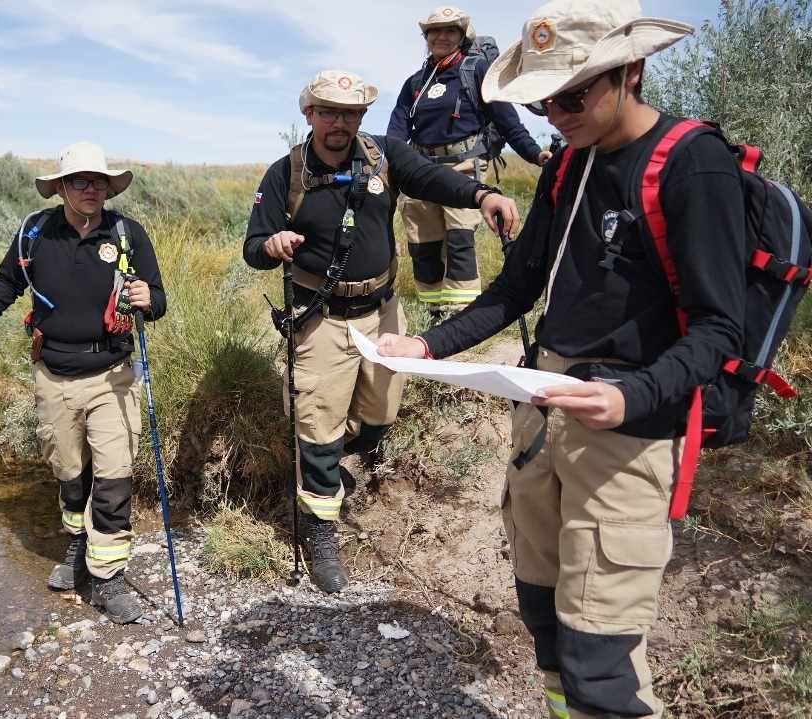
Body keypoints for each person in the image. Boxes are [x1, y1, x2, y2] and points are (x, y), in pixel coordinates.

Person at [377, 2, 739, 716]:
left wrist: (631, 397)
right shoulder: (569, 163)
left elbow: (719, 328)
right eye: (544, 98)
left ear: (630, 71)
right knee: (544, 623)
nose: (554, 114)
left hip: (629, 438)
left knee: (601, 666)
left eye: (572, 95)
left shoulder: (695, 164)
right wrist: (425, 345)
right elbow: (516, 287)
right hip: (543, 417)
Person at [244, 69, 520, 594]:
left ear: (361, 118)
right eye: (329, 112)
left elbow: (434, 178)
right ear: (309, 114)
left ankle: (326, 468)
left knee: (379, 417)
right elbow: (252, 247)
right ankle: (321, 530)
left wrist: (482, 195)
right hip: (319, 317)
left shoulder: (383, 156)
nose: (339, 123)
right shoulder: (285, 173)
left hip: (383, 311)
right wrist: (272, 244)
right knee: (318, 424)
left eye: (350, 113)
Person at [0, 141, 167, 624]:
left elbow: (157, 302)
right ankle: (78, 545)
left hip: (115, 374)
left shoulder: (127, 234)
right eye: (80, 181)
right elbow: (6, 283)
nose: (92, 189)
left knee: (115, 475)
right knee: (70, 473)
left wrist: (145, 298)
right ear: (61, 188)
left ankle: (109, 576)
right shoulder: (34, 232)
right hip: (52, 375)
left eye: (99, 181)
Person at [387, 6, 552, 321]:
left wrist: (534, 153)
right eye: (434, 31)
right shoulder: (415, 83)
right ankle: (434, 311)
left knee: (459, 239)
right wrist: (388, 162)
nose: (441, 37)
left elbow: (507, 122)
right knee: (424, 244)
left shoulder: (477, 71)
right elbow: (397, 130)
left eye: (450, 31)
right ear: (426, 38)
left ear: (462, 36)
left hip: (463, 168)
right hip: (421, 172)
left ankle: (461, 314)